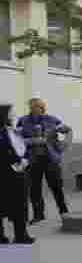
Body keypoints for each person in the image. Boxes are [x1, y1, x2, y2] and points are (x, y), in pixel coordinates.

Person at [16, 97, 70, 222]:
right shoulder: (23, 121)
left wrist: (64, 145)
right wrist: (32, 141)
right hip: (32, 160)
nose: (37, 109)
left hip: (50, 159)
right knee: (34, 189)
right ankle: (38, 215)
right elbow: (17, 139)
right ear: (30, 108)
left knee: (56, 187)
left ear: (43, 108)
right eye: (34, 106)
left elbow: (67, 130)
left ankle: (64, 213)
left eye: (40, 106)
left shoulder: (52, 119)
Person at [0, 104, 32, 244]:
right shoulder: (2, 132)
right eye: (11, 112)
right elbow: (5, 151)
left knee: (20, 204)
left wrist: (26, 159)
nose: (13, 114)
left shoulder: (14, 130)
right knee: (5, 204)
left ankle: (21, 235)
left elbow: (22, 146)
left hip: (19, 171)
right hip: (6, 173)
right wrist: (18, 161)